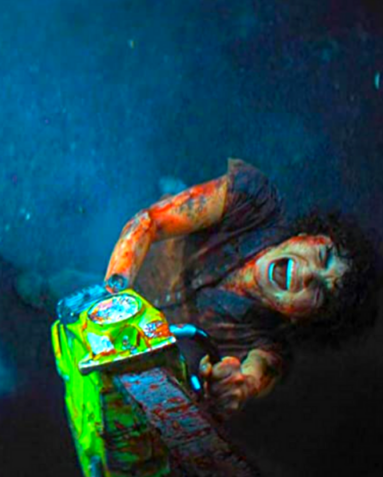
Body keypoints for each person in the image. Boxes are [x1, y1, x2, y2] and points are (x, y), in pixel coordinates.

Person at [20, 159, 378, 417]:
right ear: (306, 235)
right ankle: (176, 196)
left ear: (302, 319)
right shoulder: (252, 202)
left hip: (147, 345)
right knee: (69, 284)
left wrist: (231, 387)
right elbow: (148, 222)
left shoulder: (271, 351)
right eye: (323, 255)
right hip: (143, 268)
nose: (309, 273)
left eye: (320, 292)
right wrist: (114, 291)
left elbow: (249, 379)